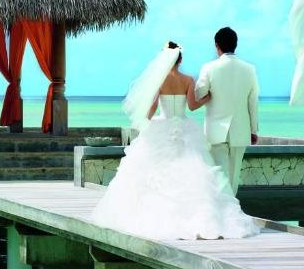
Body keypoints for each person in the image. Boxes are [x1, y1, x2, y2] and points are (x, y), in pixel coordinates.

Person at [91, 42, 258, 240]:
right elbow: (193, 106)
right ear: (180, 59)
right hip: (184, 127)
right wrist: (208, 98)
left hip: (162, 126)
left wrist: (145, 120)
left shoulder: (159, 80)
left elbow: (152, 108)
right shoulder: (188, 80)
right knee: (193, 170)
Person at [194, 27, 260, 194]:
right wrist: (253, 130)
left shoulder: (209, 67)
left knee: (219, 177)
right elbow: (253, 102)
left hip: (215, 130)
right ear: (235, 44)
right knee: (233, 177)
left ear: (217, 45)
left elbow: (198, 94)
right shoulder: (249, 69)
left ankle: (223, 208)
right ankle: (232, 208)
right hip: (241, 130)